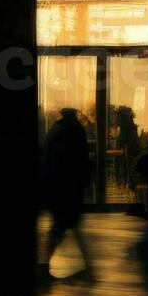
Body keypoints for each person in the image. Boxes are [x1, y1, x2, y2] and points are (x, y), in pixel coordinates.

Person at [42, 107, 96, 282]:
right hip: (71, 186)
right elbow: (82, 160)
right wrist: (86, 184)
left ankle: (45, 265)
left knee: (60, 227)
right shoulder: (77, 131)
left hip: (58, 186)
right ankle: (87, 266)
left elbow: (50, 157)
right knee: (68, 226)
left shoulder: (55, 131)